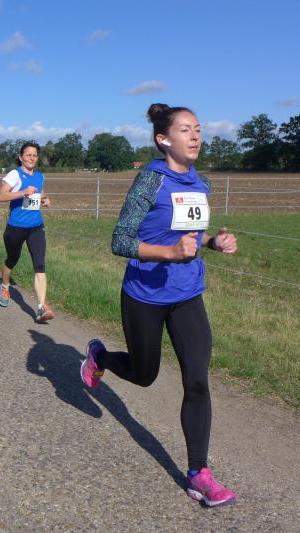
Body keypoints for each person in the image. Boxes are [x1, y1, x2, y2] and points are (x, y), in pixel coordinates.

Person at [80, 103, 239, 507]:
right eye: (186, 130)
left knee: (197, 380)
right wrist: (168, 254)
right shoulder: (152, 179)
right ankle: (99, 357)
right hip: (144, 295)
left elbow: (191, 236)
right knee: (144, 374)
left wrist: (212, 243)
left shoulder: (201, 182)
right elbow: (120, 240)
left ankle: (199, 473)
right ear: (163, 139)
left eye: (198, 129)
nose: (196, 136)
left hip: (187, 295)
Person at [0, 141, 54, 323]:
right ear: (21, 158)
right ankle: (4, 286)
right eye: (28, 155)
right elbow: (1, 196)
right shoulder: (14, 175)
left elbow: (40, 193)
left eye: (34, 155)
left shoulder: (40, 176)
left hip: (36, 227)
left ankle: (41, 307)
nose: (31, 158)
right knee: (12, 260)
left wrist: (46, 199)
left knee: (40, 265)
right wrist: (22, 192)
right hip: (16, 227)